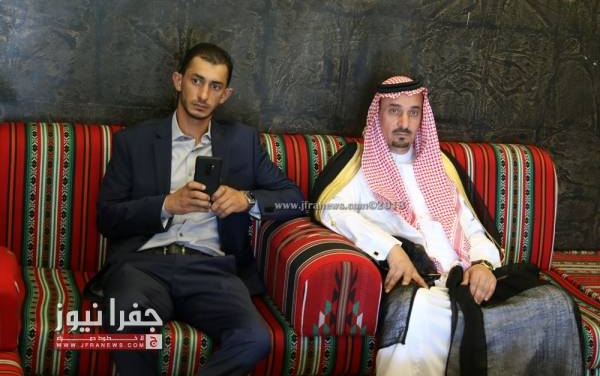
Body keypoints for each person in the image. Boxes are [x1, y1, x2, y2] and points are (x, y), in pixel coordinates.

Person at [312, 76, 583, 375]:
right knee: (420, 317)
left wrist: (483, 265)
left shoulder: (439, 166)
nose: (404, 122)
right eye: (394, 111)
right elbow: (332, 210)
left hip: (465, 279)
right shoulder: (357, 166)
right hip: (421, 282)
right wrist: (391, 249)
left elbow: (474, 228)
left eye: (413, 112)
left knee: (553, 303)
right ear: (378, 114)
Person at [88, 42, 304, 376]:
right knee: (126, 324)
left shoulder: (243, 142)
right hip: (143, 267)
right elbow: (107, 218)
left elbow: (295, 198)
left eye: (214, 86)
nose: (203, 95)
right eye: (196, 81)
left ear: (225, 95)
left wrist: (246, 199)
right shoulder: (134, 141)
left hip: (212, 270)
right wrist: (166, 205)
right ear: (178, 81)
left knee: (255, 338)